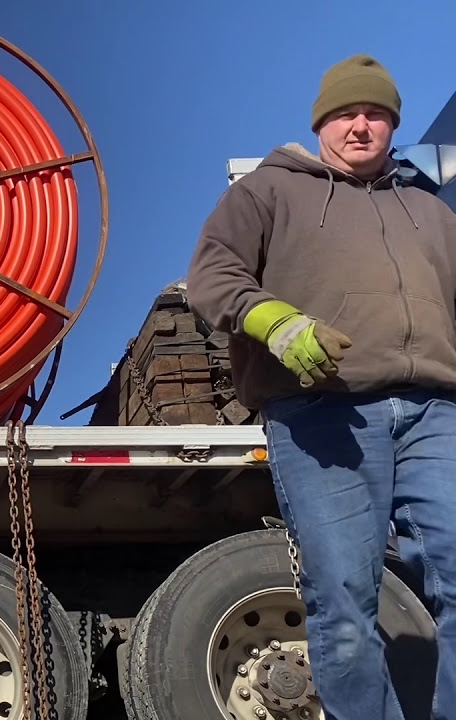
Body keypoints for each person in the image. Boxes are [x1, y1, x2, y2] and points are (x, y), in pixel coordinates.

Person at [186, 54, 456, 718]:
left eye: (376, 114)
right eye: (345, 114)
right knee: (343, 598)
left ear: (393, 124)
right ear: (320, 122)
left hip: (435, 412)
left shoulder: (430, 210)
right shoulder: (269, 192)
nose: (360, 126)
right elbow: (211, 276)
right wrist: (275, 324)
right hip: (320, 418)